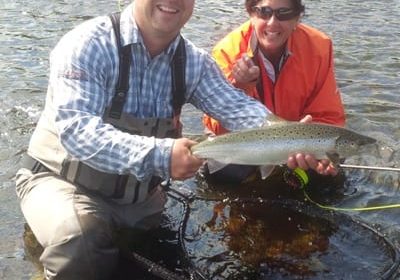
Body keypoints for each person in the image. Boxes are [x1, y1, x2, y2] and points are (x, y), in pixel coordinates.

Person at [15, 1, 337, 279]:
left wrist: (290, 136)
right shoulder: (89, 44)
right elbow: (77, 131)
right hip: (61, 180)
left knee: (156, 257)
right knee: (79, 241)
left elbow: (236, 107)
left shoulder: (193, 63)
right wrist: (162, 155)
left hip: (136, 199)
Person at [202, 0, 346, 184]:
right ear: (251, 13)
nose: (272, 23)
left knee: (330, 176)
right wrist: (240, 87)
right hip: (241, 139)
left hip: (298, 141)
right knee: (225, 174)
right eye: (264, 12)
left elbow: (329, 116)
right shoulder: (226, 51)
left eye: (284, 13)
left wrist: (311, 146)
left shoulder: (319, 47)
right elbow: (219, 129)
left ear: (297, 17)